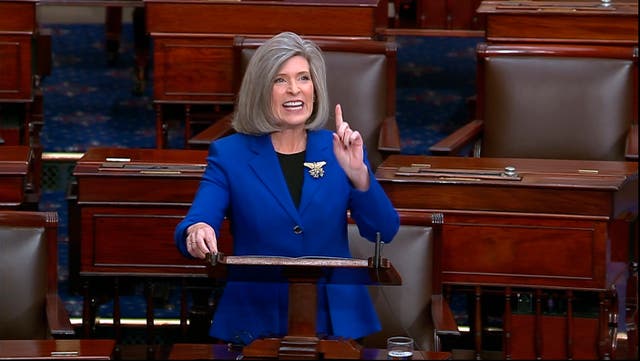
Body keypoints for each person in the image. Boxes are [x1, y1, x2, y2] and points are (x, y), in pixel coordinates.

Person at [174, 31, 400, 346]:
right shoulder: (230, 154)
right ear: (260, 90)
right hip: (256, 316)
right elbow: (196, 222)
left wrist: (359, 174)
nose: (294, 89)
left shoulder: (339, 149)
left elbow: (385, 230)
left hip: (333, 318)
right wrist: (197, 230)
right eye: (280, 80)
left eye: (303, 78)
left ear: (315, 88)